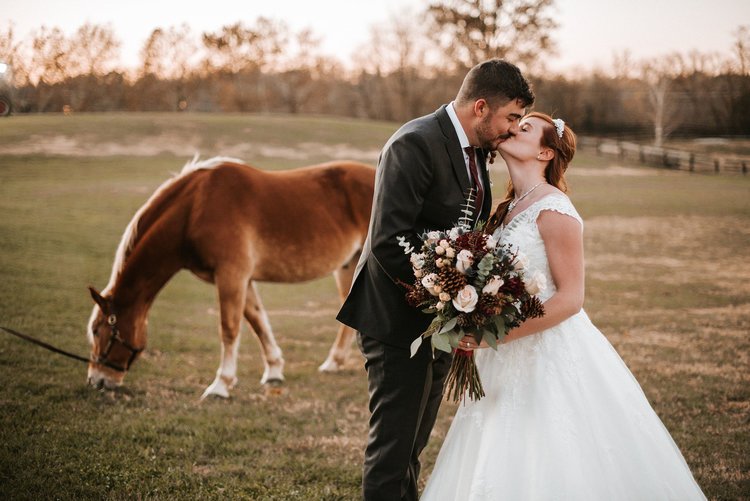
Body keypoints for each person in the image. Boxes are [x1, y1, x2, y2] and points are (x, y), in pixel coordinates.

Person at [420, 112, 707, 500]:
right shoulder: (505, 208)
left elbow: (571, 299)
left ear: (544, 152)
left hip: (545, 351)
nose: (510, 130)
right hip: (503, 358)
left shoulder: (554, 209)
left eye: (523, 129)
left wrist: (494, 337)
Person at [336, 59, 535, 501]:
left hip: (440, 325)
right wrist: (449, 295)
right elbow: (390, 241)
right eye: (511, 118)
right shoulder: (414, 144)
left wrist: (468, 301)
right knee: (392, 451)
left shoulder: (475, 151)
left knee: (412, 449)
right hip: (395, 321)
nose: (513, 130)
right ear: (481, 107)